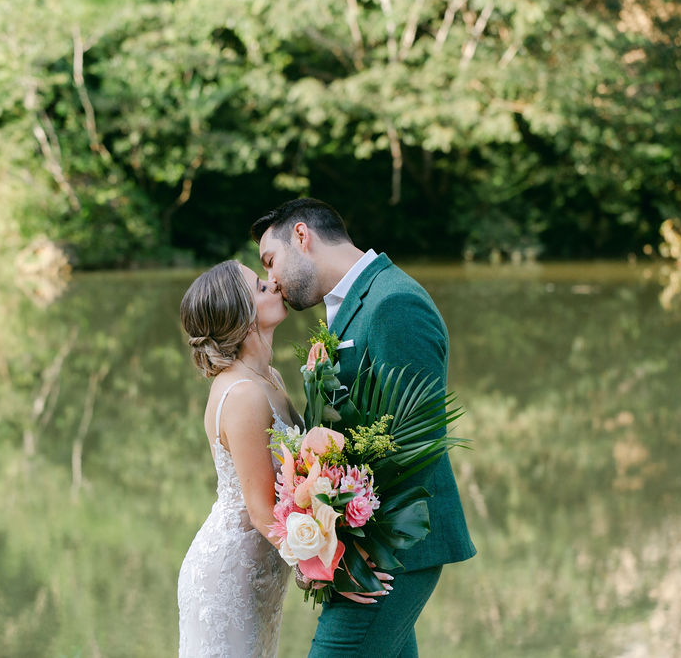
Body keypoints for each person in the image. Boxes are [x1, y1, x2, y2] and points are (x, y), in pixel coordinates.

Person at [251, 198, 476, 658]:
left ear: (301, 236)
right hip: (363, 551)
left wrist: (359, 551)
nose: (270, 280)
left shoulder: (394, 302)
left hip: (391, 553)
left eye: (270, 261)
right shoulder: (349, 305)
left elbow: (417, 439)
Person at [176, 260, 393, 657]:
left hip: (262, 568)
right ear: (241, 319)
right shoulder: (241, 394)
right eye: (260, 288)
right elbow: (261, 511)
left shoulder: (268, 379)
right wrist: (329, 568)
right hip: (232, 573)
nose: (274, 285)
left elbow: (300, 466)